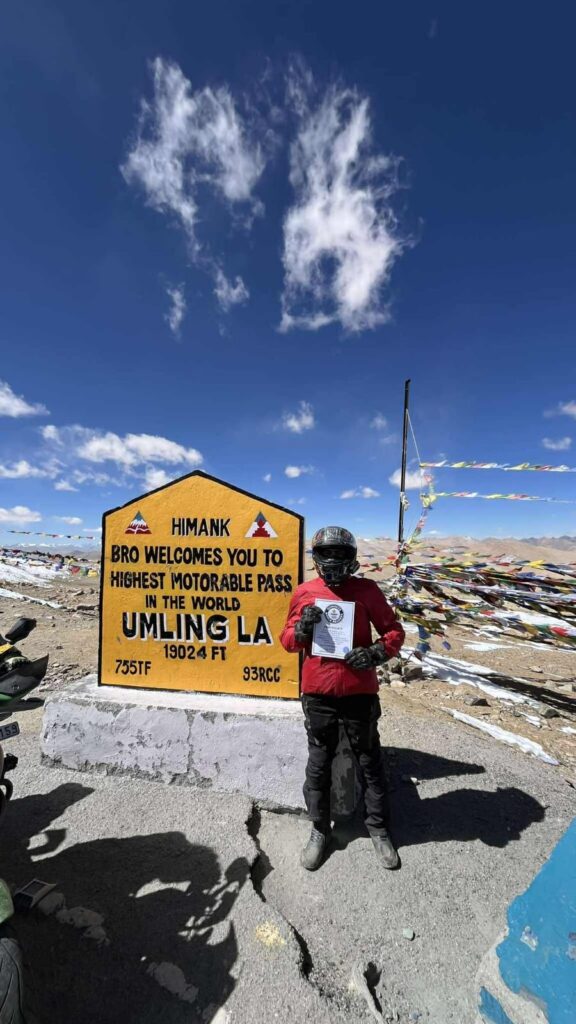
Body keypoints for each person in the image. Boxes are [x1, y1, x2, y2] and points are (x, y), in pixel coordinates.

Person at [280, 526, 405, 871]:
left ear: (352, 558)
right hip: (318, 693)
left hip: (359, 692)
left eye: (341, 553)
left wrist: (375, 653)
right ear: (317, 557)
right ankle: (319, 830)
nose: (333, 560)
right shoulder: (305, 592)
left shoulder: (366, 590)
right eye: (327, 553)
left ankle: (378, 828)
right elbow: (287, 640)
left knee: (370, 761)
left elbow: (394, 632)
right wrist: (301, 630)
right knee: (318, 764)